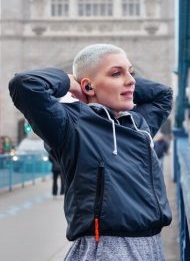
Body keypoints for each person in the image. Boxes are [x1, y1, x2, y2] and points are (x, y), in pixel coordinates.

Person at [9, 44, 172, 261]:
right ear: (87, 87)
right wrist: (72, 82)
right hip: (106, 250)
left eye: (130, 72)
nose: (131, 80)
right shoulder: (71, 125)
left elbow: (163, 95)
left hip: (151, 246)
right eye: (116, 73)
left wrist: (119, 82)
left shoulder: (138, 125)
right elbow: (25, 84)